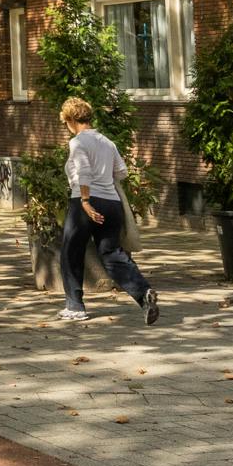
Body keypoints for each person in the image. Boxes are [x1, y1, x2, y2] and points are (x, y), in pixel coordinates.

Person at [56, 96, 158, 327]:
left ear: (71, 119)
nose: (67, 127)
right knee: (111, 254)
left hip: (86, 202)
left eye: (66, 122)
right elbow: (121, 172)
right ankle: (144, 294)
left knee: (71, 252)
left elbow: (83, 173)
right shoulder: (107, 142)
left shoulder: (78, 142)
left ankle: (75, 307)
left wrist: (84, 201)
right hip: (112, 202)